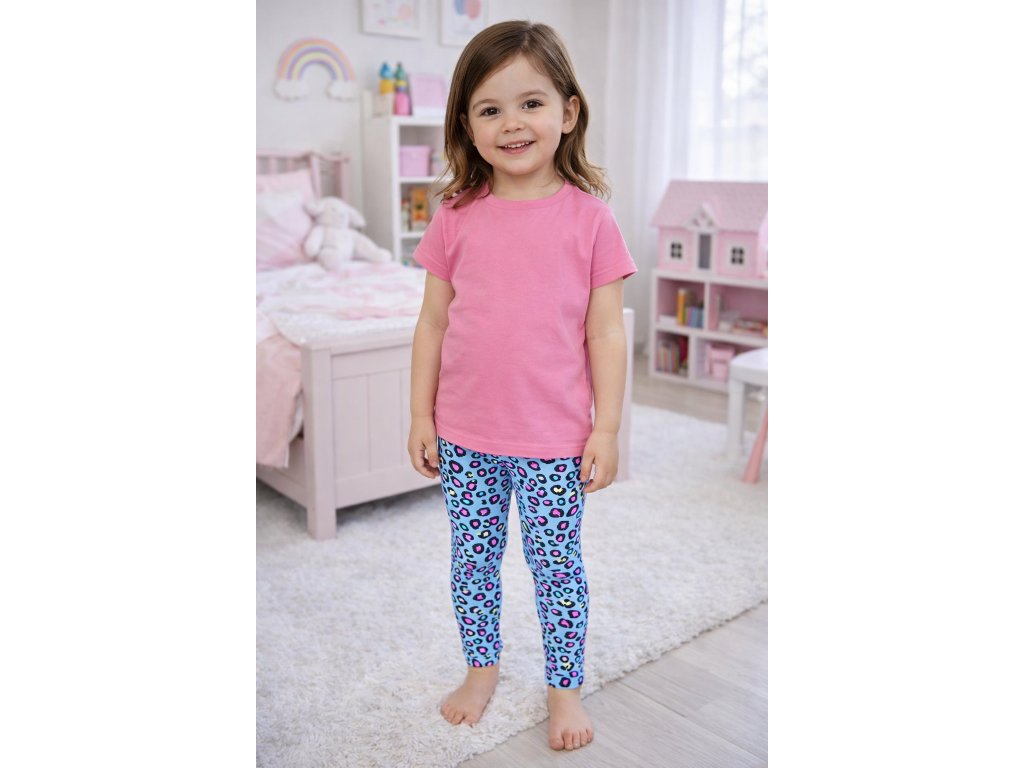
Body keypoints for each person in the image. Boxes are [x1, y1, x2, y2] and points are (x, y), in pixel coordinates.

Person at [407, 20, 637, 753]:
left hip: (553, 439)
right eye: (490, 108)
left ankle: (563, 687)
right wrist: (421, 415)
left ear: (567, 112)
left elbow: (606, 334)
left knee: (556, 569)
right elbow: (432, 324)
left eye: (530, 103)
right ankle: (482, 668)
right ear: (467, 126)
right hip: (465, 434)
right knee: (472, 561)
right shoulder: (454, 217)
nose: (512, 123)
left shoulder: (591, 221)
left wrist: (606, 428)